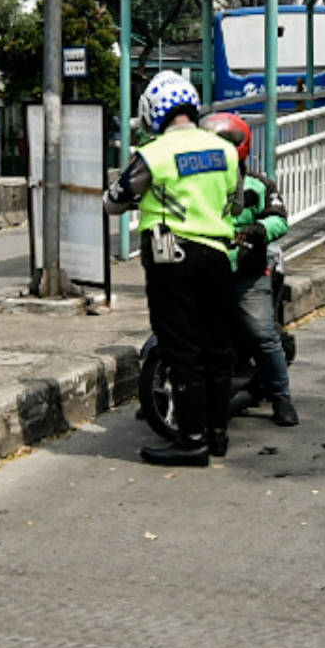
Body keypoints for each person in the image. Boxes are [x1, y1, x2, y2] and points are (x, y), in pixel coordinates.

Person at [106, 70, 241, 466]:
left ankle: (191, 439)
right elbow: (234, 204)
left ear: (154, 111)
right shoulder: (225, 151)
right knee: (217, 344)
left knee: (181, 346)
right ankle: (217, 434)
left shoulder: (155, 153)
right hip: (217, 254)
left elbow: (114, 200)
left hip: (172, 256)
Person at [207, 111, 296, 427]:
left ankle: (282, 398)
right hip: (207, 269)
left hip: (248, 272)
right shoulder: (198, 186)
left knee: (262, 334)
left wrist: (258, 229)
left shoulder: (258, 185)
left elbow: (280, 218)